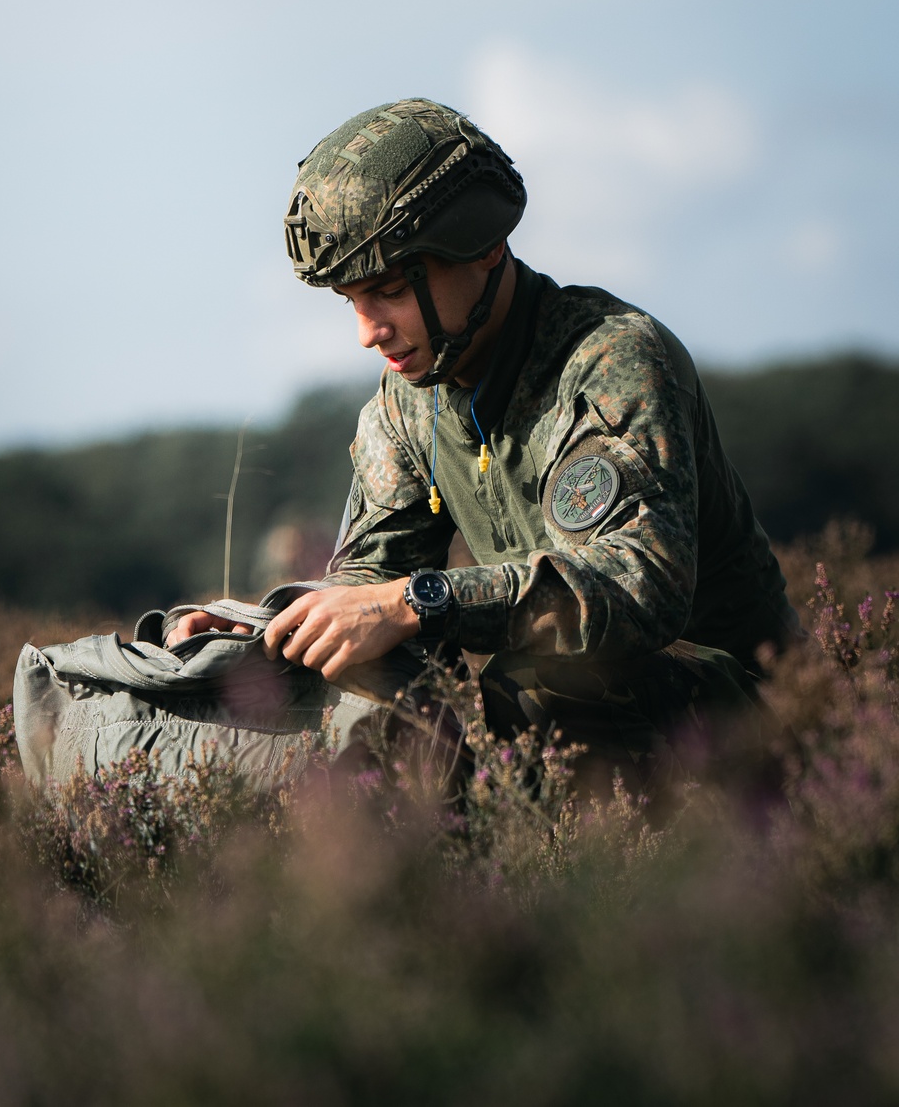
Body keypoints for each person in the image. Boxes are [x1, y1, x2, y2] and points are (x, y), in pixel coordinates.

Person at [168, 98, 801, 803]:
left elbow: (637, 588)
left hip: (752, 710)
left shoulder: (610, 360)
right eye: (351, 301)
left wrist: (423, 601)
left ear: (485, 249)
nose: (368, 332)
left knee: (535, 683)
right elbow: (372, 576)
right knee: (362, 676)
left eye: (386, 292)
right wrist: (265, 629)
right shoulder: (405, 404)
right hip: (614, 717)